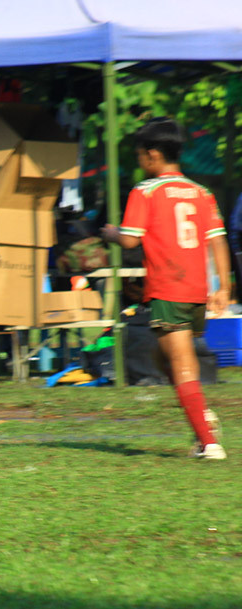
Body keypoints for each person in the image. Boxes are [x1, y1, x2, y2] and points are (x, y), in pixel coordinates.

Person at [101, 117, 231, 460]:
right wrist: (224, 286)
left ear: (153, 155)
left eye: (139, 154)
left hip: (168, 288)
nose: (139, 160)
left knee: (180, 362)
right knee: (164, 358)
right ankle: (201, 415)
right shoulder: (202, 193)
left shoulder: (145, 191)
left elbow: (130, 239)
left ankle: (208, 442)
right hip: (197, 289)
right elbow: (218, 240)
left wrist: (111, 233)